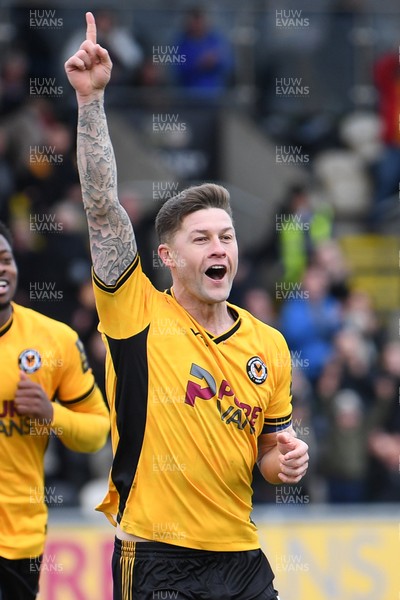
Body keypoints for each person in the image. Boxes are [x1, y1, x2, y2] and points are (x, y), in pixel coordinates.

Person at [65, 13, 309, 600]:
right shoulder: (136, 312)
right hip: (154, 556)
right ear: (168, 257)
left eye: (226, 236)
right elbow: (102, 212)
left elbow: (269, 459)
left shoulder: (268, 346)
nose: (219, 247)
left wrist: (288, 461)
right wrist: (91, 103)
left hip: (242, 559)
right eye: (202, 239)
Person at [0, 220, 110, 600]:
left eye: (5, 258)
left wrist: (52, 416)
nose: (2, 269)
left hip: (20, 539)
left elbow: (98, 430)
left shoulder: (54, 340)